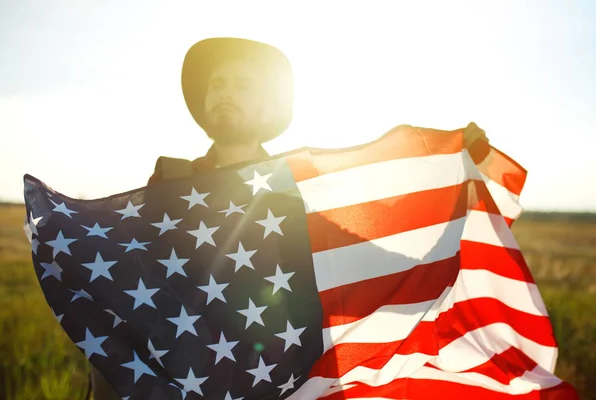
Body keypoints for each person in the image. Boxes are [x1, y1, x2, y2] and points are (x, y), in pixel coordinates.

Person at [89, 36, 489, 399]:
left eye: (241, 85)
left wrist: (459, 177)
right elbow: (126, 272)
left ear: (267, 106)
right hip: (186, 375)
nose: (225, 93)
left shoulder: (295, 190)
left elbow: (367, 261)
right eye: (217, 84)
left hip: (274, 379)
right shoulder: (171, 180)